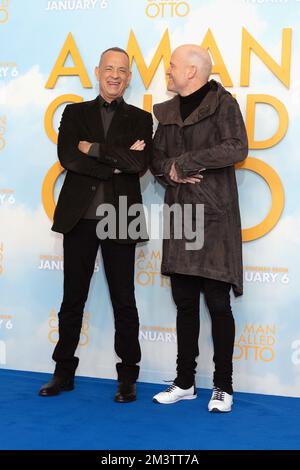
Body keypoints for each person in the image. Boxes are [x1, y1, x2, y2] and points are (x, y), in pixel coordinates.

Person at [39, 47, 153, 403]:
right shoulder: (74, 113)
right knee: (72, 298)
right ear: (98, 71)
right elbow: (67, 156)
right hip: (80, 219)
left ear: (130, 76)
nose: (115, 75)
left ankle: (128, 377)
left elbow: (137, 163)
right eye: (109, 68)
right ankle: (63, 372)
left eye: (122, 70)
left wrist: (95, 149)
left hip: (121, 217)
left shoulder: (141, 118)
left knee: (124, 300)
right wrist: (114, 159)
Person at [150, 45, 248, 412]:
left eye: (172, 65)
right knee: (185, 304)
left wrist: (186, 162)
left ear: (192, 71)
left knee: (218, 305)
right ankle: (185, 382)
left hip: (215, 218)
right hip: (180, 218)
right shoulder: (168, 112)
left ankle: (223, 386)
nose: (168, 71)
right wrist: (170, 170)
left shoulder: (224, 104)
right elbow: (156, 159)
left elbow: (237, 148)